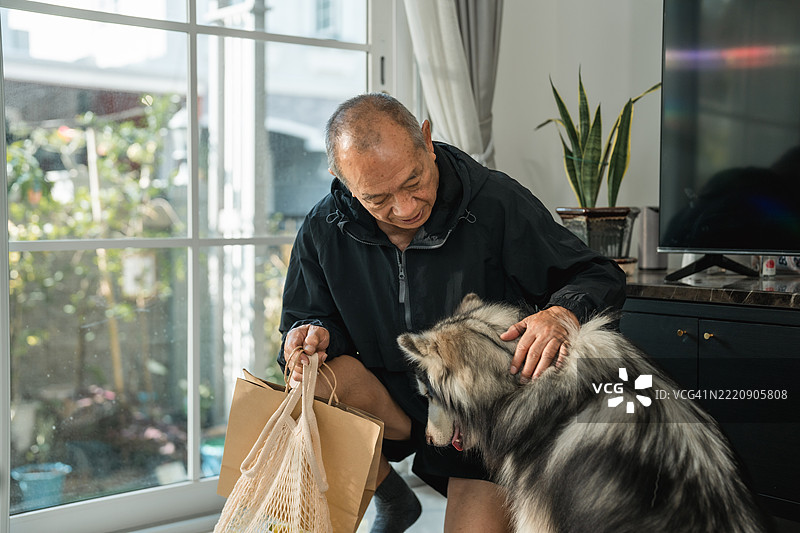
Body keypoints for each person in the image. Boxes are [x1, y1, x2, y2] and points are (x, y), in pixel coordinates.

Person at [279, 93, 626, 532]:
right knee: (315, 378)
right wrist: (309, 336)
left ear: (426, 138)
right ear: (342, 178)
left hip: (483, 424)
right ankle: (394, 499)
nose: (404, 209)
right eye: (378, 197)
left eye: (413, 181)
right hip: (398, 406)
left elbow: (597, 274)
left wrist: (561, 313)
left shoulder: (495, 201)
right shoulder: (321, 228)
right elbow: (306, 320)